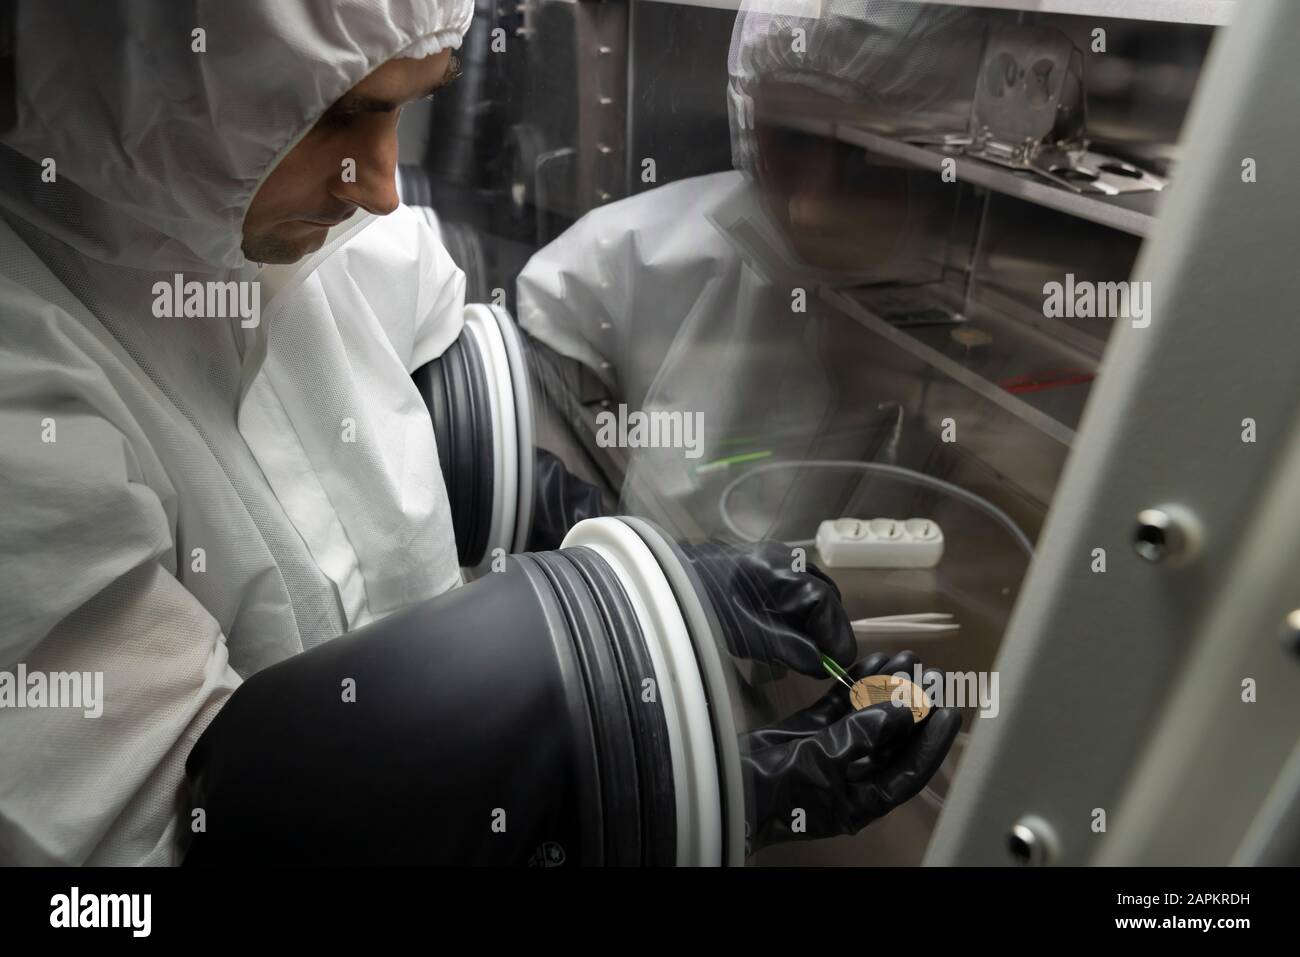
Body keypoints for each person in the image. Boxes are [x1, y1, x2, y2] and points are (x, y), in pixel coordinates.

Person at [0, 0, 955, 865]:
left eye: (401, 107)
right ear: (137, 73)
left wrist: (657, 581)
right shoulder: (27, 391)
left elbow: (439, 449)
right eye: (334, 113)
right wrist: (638, 792)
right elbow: (167, 832)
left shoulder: (323, 231)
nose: (379, 185)